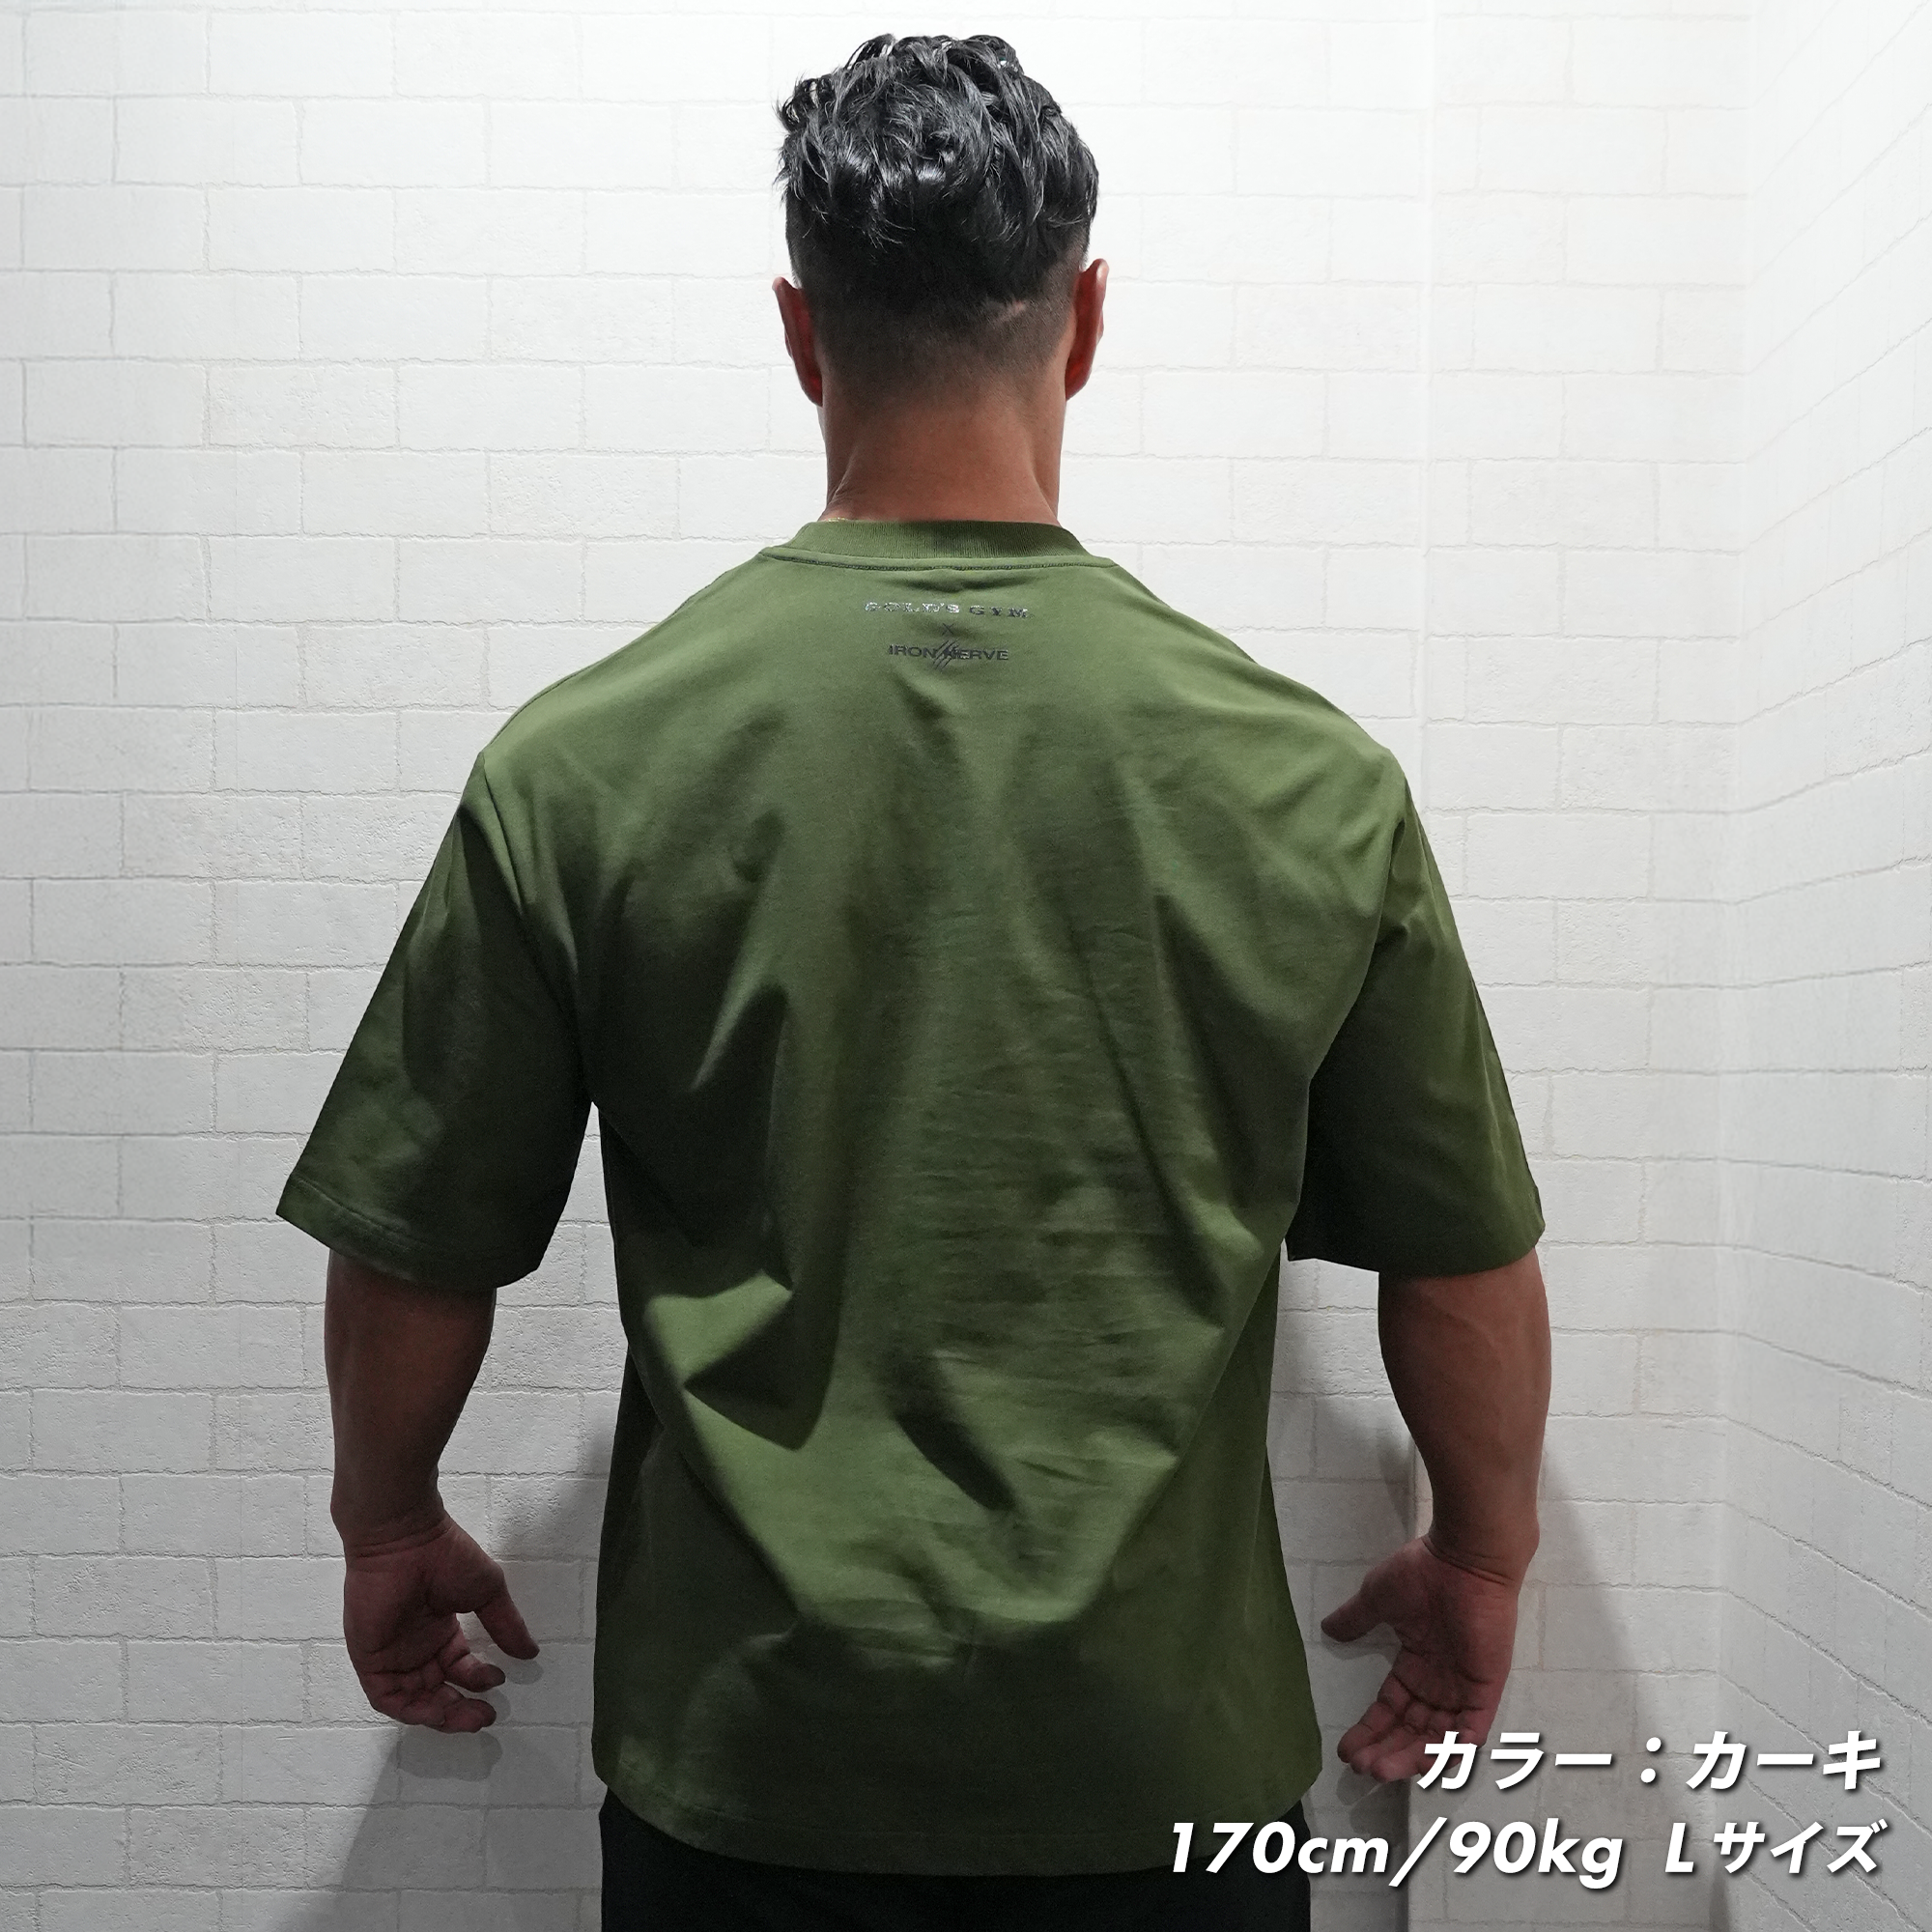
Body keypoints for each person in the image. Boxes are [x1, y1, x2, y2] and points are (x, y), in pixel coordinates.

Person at [283, 32, 1552, 1932]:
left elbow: (415, 1245)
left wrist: (387, 1520)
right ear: (1086, 319)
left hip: (749, 1780)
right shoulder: (1306, 779)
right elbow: (1461, 1259)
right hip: (1167, 1784)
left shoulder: (584, 765)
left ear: (803, 333)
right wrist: (1482, 1556)